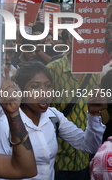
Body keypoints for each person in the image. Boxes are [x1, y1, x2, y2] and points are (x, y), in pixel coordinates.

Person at [0, 61, 106, 180]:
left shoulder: (53, 116)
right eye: (35, 86)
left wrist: (93, 115)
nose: (44, 92)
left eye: (48, 85)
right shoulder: (4, 126)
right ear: (21, 91)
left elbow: (90, 147)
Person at [46, 32, 101, 180]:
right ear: (70, 41)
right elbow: (42, 112)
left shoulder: (95, 72)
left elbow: (98, 113)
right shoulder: (52, 69)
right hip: (57, 159)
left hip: (83, 158)